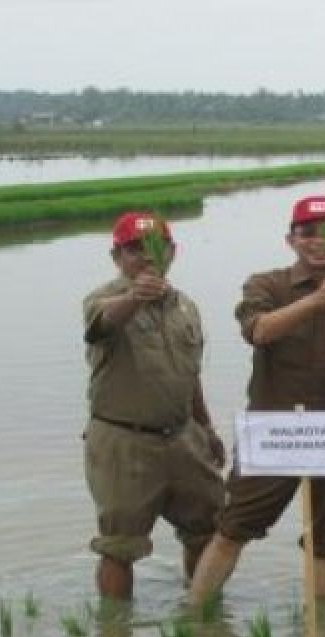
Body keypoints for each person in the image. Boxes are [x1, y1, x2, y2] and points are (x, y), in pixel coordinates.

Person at [189, 195, 325, 603]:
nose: (318, 242)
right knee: (233, 527)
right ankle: (196, 618)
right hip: (274, 433)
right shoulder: (265, 285)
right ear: (291, 239)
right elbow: (258, 331)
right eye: (307, 233)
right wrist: (316, 301)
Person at [82, 211, 226, 599]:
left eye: (156, 248)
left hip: (184, 437)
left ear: (172, 252)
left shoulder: (185, 306)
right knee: (119, 547)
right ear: (117, 257)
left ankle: (201, 618)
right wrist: (133, 297)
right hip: (124, 441)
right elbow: (101, 325)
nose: (146, 257)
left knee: (209, 530)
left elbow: (191, 375)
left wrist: (207, 430)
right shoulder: (102, 299)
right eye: (134, 250)